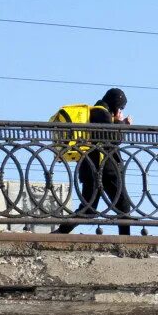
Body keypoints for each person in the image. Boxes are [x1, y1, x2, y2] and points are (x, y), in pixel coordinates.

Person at [53, 88, 133, 235]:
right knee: (123, 206)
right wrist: (123, 124)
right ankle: (126, 241)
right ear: (115, 103)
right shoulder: (101, 113)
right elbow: (113, 139)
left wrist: (116, 122)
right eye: (120, 107)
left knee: (88, 210)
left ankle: (61, 231)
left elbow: (104, 136)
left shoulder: (97, 113)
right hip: (104, 170)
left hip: (91, 168)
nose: (120, 110)